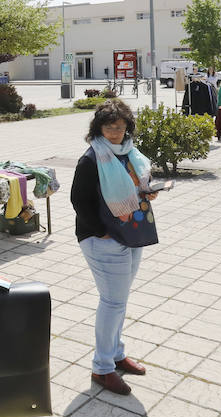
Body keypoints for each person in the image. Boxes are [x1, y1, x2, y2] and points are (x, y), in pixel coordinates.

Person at [69, 99, 157, 395]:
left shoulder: (129, 153)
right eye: (109, 127)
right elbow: (78, 201)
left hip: (131, 231)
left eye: (120, 127)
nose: (115, 133)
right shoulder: (92, 159)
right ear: (99, 127)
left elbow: (134, 185)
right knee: (112, 301)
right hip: (103, 238)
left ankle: (116, 354)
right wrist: (100, 232)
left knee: (119, 300)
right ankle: (102, 367)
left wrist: (147, 192)